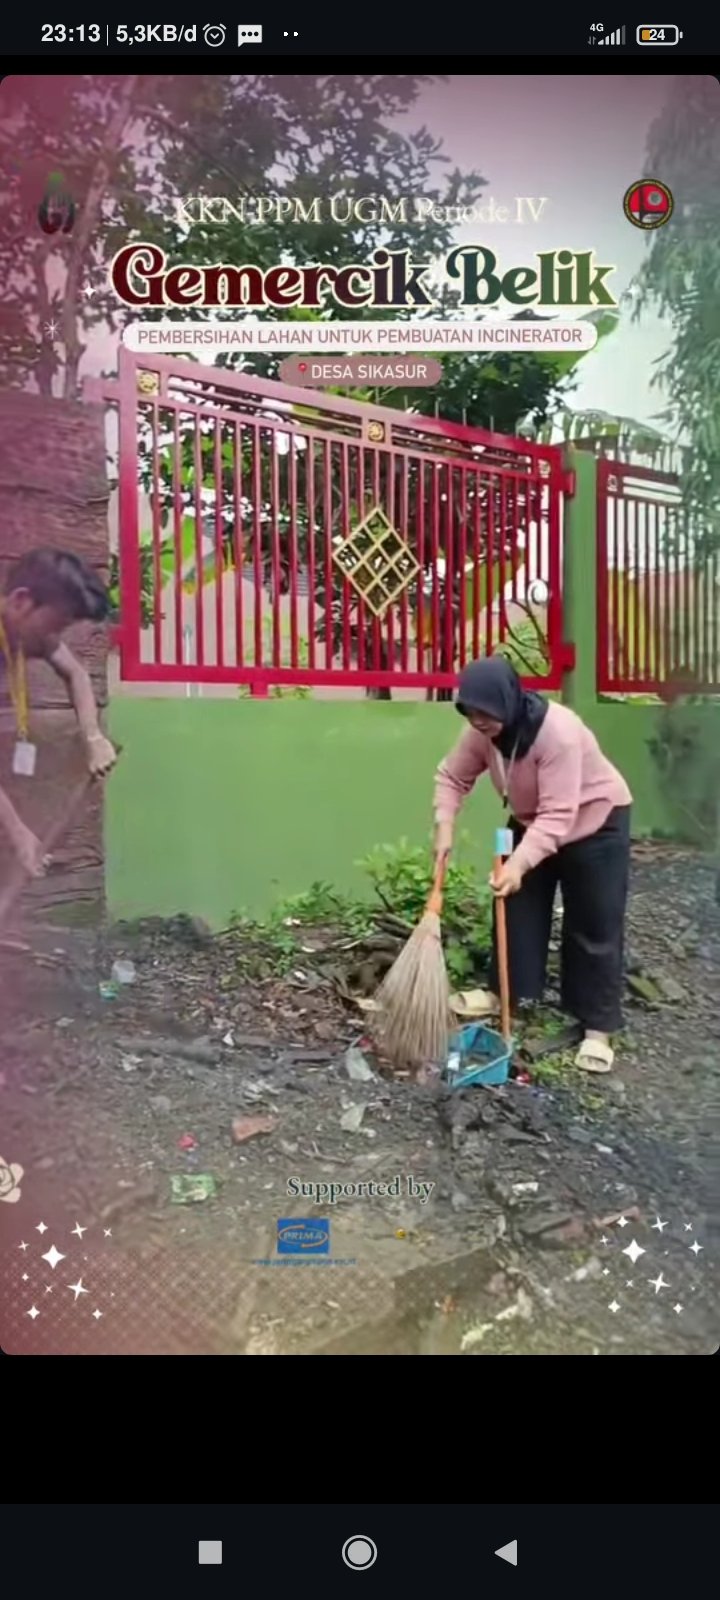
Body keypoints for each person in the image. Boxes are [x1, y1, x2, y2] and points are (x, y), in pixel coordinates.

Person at [433, 657, 632, 1073]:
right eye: (469, 711)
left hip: (594, 821)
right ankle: (509, 994)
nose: (477, 720)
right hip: (530, 820)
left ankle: (597, 1027)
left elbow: (559, 815)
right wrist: (445, 826)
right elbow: (452, 777)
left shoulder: (557, 733)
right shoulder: (480, 733)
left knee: (594, 921)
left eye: (485, 711)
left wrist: (519, 863)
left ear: (508, 700)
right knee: (514, 906)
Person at [0, 546, 117, 880]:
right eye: (54, 626)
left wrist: (93, 736)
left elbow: (75, 674)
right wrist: (19, 833)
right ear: (21, 601)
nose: (55, 639)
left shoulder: (22, 630)